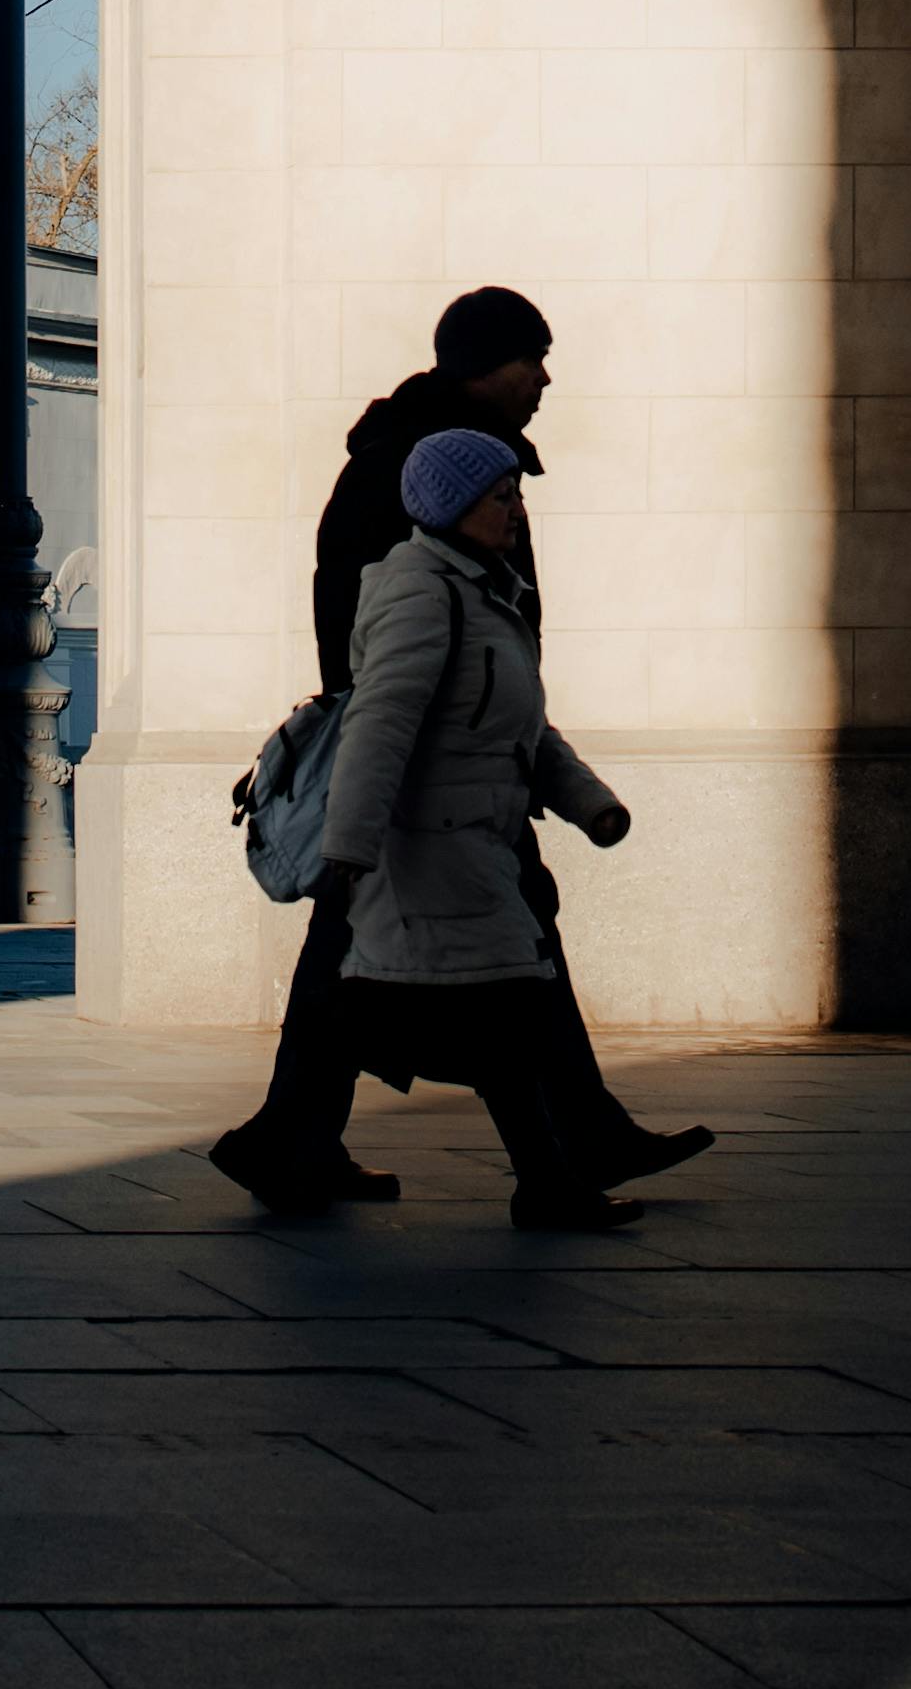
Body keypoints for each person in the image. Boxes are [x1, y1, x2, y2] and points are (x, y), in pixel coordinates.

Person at [207, 284, 711, 1214]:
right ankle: (559, 1151)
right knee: (484, 971)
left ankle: (301, 1140)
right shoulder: (425, 480)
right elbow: (386, 681)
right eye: (533, 359)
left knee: (473, 960)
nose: (546, 378)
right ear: (483, 364)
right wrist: (362, 829)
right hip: (432, 785)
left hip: (462, 773)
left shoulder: (439, 462)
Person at [311, 431, 649, 1231]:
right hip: (428, 851)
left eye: (515, 496)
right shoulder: (419, 592)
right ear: (457, 506)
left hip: (474, 847)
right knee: (501, 1017)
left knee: (491, 1020)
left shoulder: (485, 593)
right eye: (503, 498)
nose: (518, 512)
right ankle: (544, 1184)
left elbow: (522, 729)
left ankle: (542, 1184)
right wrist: (348, 849)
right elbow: (379, 724)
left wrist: (590, 803)